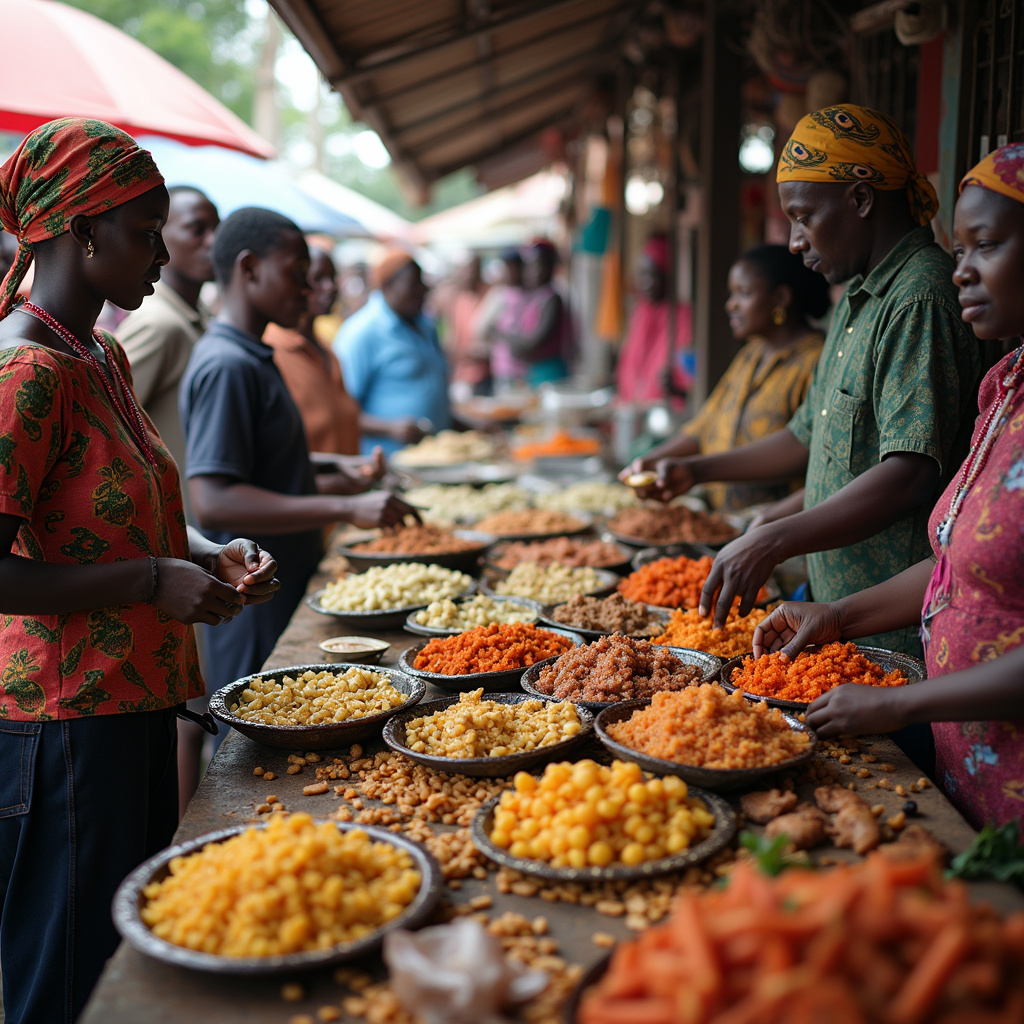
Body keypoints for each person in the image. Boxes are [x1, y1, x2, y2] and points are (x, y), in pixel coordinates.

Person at [0, 118, 280, 1024]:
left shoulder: (103, 355)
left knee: (121, 967)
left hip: (129, 708)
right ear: (80, 230)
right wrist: (152, 582)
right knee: (69, 979)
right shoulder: (24, 371)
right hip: (61, 728)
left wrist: (207, 553)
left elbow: (132, 513)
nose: (164, 252)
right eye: (144, 230)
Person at [627, 105, 980, 658]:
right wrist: (695, 472)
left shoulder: (920, 300)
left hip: (890, 632)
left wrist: (773, 538)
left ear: (861, 200)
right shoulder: (856, 299)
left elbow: (909, 474)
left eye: (802, 217)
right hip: (830, 611)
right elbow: (803, 437)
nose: (794, 241)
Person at [753, 142, 1024, 830]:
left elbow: (909, 473)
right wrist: (840, 616)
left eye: (984, 246)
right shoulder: (1006, 387)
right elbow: (957, 563)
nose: (959, 270)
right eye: (959, 247)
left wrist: (903, 702)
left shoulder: (919, 295)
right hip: (969, 763)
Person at [180, 208, 416, 713]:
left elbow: (266, 460)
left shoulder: (255, 356)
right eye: (295, 274)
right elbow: (215, 498)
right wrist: (344, 509)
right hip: (251, 597)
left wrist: (332, 468)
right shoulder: (227, 364)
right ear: (248, 269)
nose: (307, 290)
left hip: (276, 585)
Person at [632, 244, 828, 511]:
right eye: (731, 294)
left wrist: (697, 470)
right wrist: (650, 461)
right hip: (723, 519)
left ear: (780, 297)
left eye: (744, 294)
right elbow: (704, 426)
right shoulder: (751, 355)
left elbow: (806, 448)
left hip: (775, 528)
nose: (731, 305)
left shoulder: (816, 360)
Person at [116, 186, 219, 474]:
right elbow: (107, 425)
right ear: (160, 235)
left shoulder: (201, 318)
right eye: (196, 230)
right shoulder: (157, 323)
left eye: (216, 230)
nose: (212, 241)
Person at [333, 248, 451, 455]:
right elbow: (340, 412)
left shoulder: (426, 326)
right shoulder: (361, 332)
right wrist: (389, 428)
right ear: (388, 286)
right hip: (387, 463)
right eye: (413, 283)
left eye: (422, 282)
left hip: (436, 457)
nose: (423, 290)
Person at [265, 243, 361, 456]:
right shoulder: (272, 350)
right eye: (318, 279)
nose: (330, 287)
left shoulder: (328, 351)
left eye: (332, 278)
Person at [615, 234, 694, 406]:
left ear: (668, 276)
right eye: (642, 275)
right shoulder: (641, 312)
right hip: (632, 411)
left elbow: (690, 377)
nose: (646, 283)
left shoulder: (683, 318)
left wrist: (676, 388)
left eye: (654, 276)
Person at [490, 239, 573, 388]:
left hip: (549, 372)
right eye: (530, 267)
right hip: (533, 372)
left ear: (550, 267)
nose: (533, 272)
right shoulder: (534, 297)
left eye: (538, 265)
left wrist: (500, 334)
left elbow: (532, 343)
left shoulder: (552, 298)